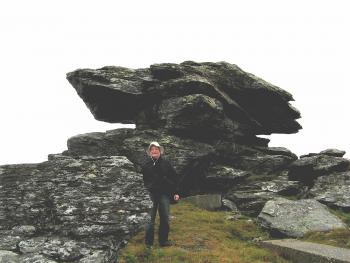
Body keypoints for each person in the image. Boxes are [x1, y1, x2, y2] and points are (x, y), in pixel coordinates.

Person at [141, 141, 180, 248]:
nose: (154, 151)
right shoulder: (145, 164)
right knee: (150, 220)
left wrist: (176, 192)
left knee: (165, 219)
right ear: (149, 152)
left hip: (164, 194)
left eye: (156, 149)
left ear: (160, 151)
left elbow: (175, 177)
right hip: (150, 194)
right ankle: (148, 244)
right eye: (152, 149)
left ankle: (163, 241)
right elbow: (142, 180)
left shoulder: (166, 163)